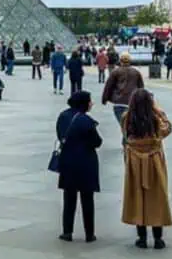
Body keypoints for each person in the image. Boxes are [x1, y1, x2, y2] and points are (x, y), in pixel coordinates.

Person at [121, 89, 172, 249]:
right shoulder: (155, 119)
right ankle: (158, 238)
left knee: (137, 196)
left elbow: (125, 135)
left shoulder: (127, 117)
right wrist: (158, 111)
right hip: (154, 159)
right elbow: (167, 129)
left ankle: (141, 237)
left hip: (134, 160)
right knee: (157, 196)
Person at [56, 90, 101, 243]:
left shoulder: (63, 116)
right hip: (85, 162)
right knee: (87, 199)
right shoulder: (86, 121)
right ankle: (90, 233)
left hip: (67, 161)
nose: (91, 103)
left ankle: (67, 231)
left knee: (69, 198)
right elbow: (97, 142)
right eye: (90, 101)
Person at [101, 51, 144, 139]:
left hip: (119, 103)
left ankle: (126, 142)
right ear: (130, 61)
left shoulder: (115, 72)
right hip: (132, 103)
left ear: (120, 60)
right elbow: (141, 87)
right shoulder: (136, 72)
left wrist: (104, 99)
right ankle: (127, 142)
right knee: (129, 124)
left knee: (124, 125)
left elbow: (108, 86)